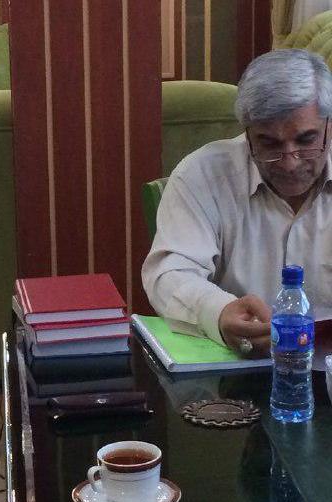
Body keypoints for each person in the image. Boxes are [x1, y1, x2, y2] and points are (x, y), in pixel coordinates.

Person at [142, 49, 332, 357]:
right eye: (269, 144)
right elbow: (170, 273)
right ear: (247, 133)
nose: (290, 162)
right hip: (236, 370)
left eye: (306, 140)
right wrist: (217, 312)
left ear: (329, 125)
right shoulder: (203, 174)